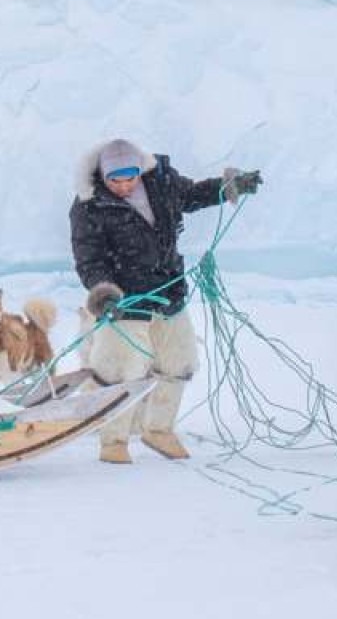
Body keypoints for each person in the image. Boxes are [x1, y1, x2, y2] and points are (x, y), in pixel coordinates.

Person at [69, 137, 262, 463]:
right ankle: (113, 440)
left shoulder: (162, 183)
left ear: (139, 172)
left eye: (129, 178)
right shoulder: (89, 206)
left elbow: (194, 194)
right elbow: (90, 259)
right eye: (115, 180)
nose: (123, 185)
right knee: (116, 370)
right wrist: (104, 293)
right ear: (103, 176)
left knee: (178, 362)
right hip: (124, 301)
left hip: (167, 291)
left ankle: (158, 430)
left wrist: (230, 186)